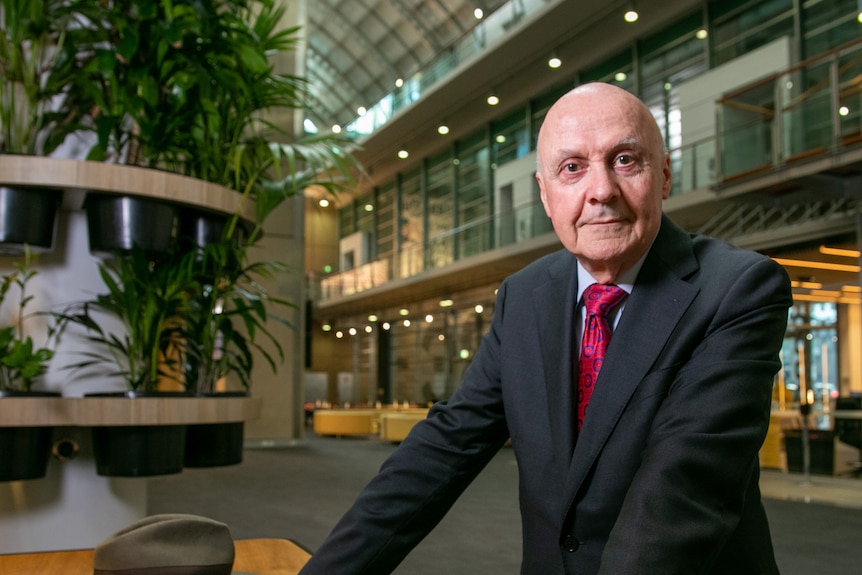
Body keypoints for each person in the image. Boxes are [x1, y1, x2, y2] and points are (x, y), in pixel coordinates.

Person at [298, 82, 792, 574]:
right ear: (545, 194)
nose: (601, 190)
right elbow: (446, 447)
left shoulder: (738, 289)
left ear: (663, 176)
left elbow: (682, 493)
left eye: (624, 160)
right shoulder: (524, 295)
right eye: (572, 168)